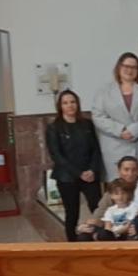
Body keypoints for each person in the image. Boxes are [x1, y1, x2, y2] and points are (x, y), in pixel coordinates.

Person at [90, 53, 138, 179]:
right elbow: (98, 116)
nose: (129, 70)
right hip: (116, 146)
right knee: (120, 192)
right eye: (126, 66)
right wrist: (120, 130)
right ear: (119, 67)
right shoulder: (104, 91)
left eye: (134, 67)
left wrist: (134, 130)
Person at [46, 89, 102, 241]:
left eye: (72, 102)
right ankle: (72, 244)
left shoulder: (87, 124)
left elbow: (96, 149)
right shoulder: (54, 127)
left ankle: (102, 238)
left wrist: (91, 170)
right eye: (65, 103)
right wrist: (79, 173)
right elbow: (57, 155)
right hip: (67, 177)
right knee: (72, 213)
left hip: (89, 175)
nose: (70, 105)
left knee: (98, 208)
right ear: (60, 106)